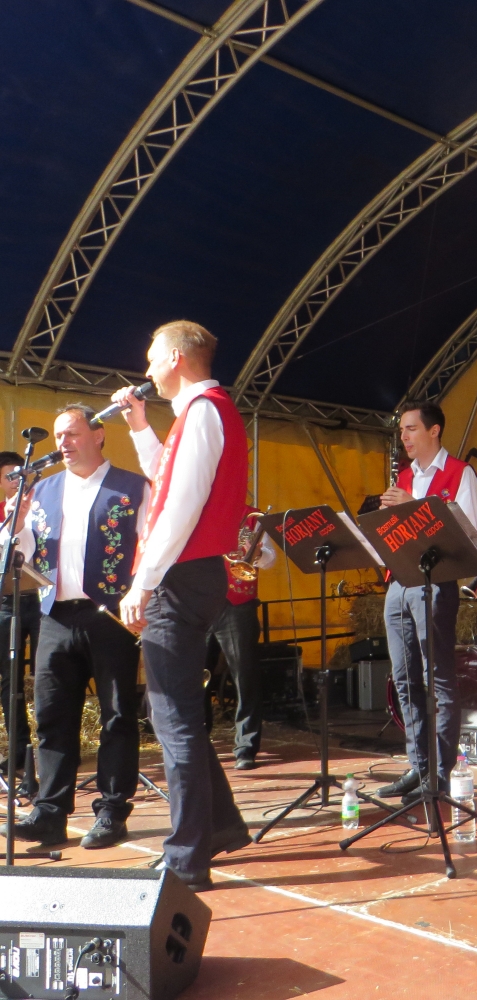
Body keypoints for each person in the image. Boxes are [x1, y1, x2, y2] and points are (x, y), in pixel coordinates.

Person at [112, 320, 252, 891]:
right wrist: (140, 428)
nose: (146, 370)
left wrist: (143, 582)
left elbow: (179, 509)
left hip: (181, 574)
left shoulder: (202, 412)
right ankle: (218, 826)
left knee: (173, 717)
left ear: (175, 357)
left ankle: (186, 858)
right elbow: (169, 482)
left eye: (151, 358)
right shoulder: (204, 413)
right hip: (197, 573)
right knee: (174, 713)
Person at [0, 406, 149, 849]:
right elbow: (19, 553)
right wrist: (16, 523)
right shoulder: (42, 490)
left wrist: (141, 597)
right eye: (59, 436)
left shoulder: (132, 487)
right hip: (54, 615)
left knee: (117, 714)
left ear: (98, 435)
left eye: (72, 433)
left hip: (109, 615)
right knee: (52, 716)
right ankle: (50, 812)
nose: (63, 443)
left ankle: (112, 810)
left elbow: (151, 546)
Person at [376, 402, 477, 804]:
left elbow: (465, 535)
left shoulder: (460, 473)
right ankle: (418, 765)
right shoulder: (404, 477)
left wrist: (412, 507)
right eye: (402, 430)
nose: (403, 436)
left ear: (434, 431)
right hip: (398, 583)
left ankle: (439, 773)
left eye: (411, 428)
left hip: (436, 584)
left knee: (437, 678)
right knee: (404, 679)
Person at [206, 503, 276, 770]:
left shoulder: (254, 517)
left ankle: (246, 745)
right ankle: (198, 740)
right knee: (196, 675)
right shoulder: (197, 508)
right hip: (202, 602)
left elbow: (270, 559)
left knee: (244, 676)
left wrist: (257, 554)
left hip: (238, 604)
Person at [0, 450, 42, 775]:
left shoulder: (45, 507)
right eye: (8, 477)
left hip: (43, 601)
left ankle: (53, 750)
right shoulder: (3, 515)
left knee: (50, 675)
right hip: (7, 602)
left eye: (20, 475)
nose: (15, 482)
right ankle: (18, 753)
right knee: (9, 680)